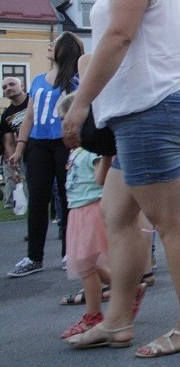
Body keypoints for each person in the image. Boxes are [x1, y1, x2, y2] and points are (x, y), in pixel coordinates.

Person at [60, 0, 180, 357]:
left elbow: (120, 35)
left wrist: (82, 101)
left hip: (151, 108)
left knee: (170, 221)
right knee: (118, 216)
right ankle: (118, 321)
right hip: (143, 112)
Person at [7, 33, 84, 278]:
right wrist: (19, 149)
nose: (50, 45)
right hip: (38, 146)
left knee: (67, 198)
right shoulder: (38, 80)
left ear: (66, 50)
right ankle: (33, 257)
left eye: (56, 43)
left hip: (64, 145)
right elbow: (29, 117)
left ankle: (69, 252)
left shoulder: (75, 82)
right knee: (38, 200)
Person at [55, 92, 113, 339]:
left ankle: (93, 314)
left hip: (89, 209)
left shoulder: (91, 150)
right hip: (78, 211)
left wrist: (106, 157)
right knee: (90, 264)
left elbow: (101, 177)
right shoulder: (77, 150)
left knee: (86, 266)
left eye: (64, 120)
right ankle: (127, 289)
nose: (62, 126)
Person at [1, 77, 29, 210]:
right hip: (27, 154)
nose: (8, 88)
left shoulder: (33, 100)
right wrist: (14, 166)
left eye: (12, 84)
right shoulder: (6, 114)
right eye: (4, 87)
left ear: (22, 86)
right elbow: (9, 142)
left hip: (48, 146)